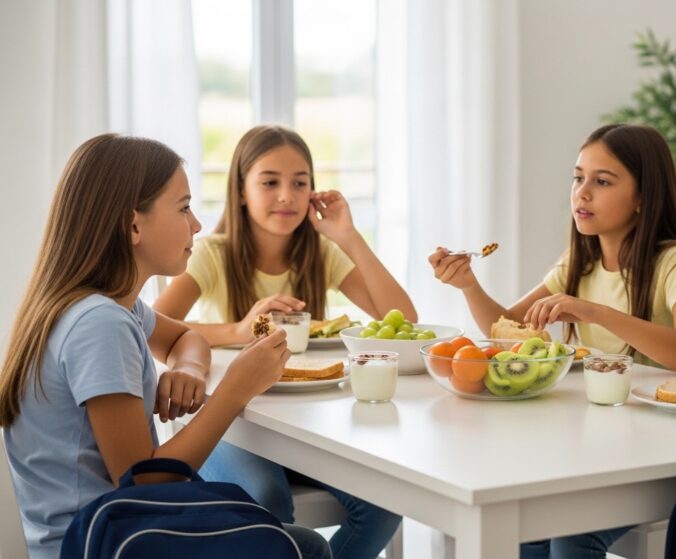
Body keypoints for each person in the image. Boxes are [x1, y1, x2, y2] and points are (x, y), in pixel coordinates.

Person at [0, 134, 329, 559]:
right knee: (305, 547)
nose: (196, 224)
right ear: (133, 224)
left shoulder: (112, 305)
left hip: (112, 530)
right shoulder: (100, 325)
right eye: (184, 207)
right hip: (104, 543)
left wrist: (188, 370)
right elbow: (146, 481)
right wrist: (235, 390)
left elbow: (184, 337)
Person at [429, 123, 676, 557]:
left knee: (570, 536)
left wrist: (594, 312)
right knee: (526, 523)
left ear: (643, 196)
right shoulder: (580, 261)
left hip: (661, 454)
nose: (581, 193)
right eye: (578, 177)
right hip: (597, 446)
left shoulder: (674, 261)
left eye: (602, 181)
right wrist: (469, 284)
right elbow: (505, 328)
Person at [154, 125, 408, 558]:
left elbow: (400, 317)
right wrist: (242, 329)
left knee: (385, 504)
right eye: (270, 182)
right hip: (235, 426)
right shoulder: (214, 253)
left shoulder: (320, 252)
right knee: (267, 501)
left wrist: (348, 236)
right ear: (240, 190)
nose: (287, 196)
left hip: (306, 427)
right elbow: (157, 325)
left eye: (300, 182)